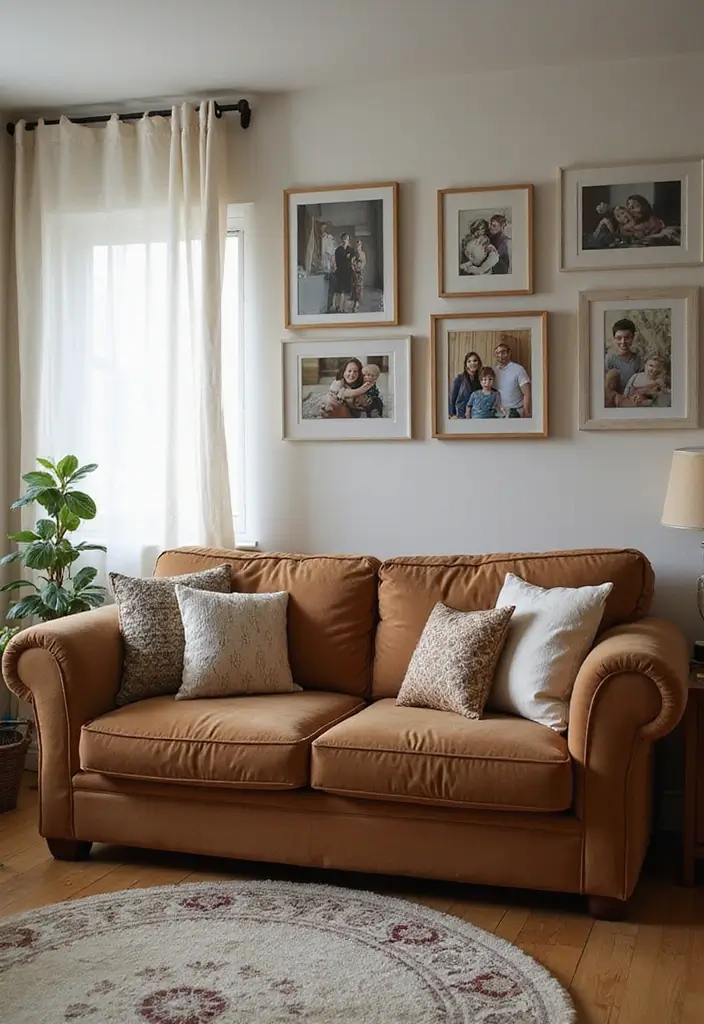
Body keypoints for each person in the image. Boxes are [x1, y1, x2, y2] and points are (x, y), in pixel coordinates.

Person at [301, 357, 371, 419]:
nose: (352, 374)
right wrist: (360, 390)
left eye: (355, 371)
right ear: (343, 372)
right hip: (333, 402)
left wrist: (361, 400)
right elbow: (344, 394)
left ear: (359, 374)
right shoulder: (338, 382)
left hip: (349, 408)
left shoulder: (358, 383)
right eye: (349, 371)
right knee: (329, 405)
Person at [493, 336, 531, 418]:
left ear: (509, 353)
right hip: (498, 413)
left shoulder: (519, 369)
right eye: (497, 353)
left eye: (503, 352)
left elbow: (527, 393)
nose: (500, 355)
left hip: (515, 412)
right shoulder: (493, 371)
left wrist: (526, 413)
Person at [604, 318, 643, 393]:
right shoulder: (608, 360)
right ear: (614, 339)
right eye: (619, 338)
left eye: (627, 338)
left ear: (632, 338)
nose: (623, 342)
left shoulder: (639, 360)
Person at [449, 352, 483, 418]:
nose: (472, 363)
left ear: (479, 363)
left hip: (476, 415)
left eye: (475, 361)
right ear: (466, 364)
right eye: (469, 361)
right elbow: (452, 398)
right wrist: (452, 414)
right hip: (461, 415)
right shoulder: (459, 378)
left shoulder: (482, 379)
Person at [332, 234, 353, 312]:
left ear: (348, 240)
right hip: (340, 271)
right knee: (340, 290)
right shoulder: (338, 250)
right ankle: (339, 307)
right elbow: (336, 261)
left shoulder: (350, 249)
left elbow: (353, 260)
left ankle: (345, 308)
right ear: (341, 240)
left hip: (348, 272)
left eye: (347, 239)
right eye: (344, 239)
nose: (345, 241)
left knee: (347, 291)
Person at [350, 240, 367, 313]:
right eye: (357, 244)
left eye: (359, 244)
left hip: (359, 272)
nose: (358, 246)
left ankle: (357, 302)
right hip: (354, 273)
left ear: (361, 245)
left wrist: (360, 267)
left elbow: (364, 262)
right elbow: (351, 261)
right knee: (354, 287)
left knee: (359, 287)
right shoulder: (353, 253)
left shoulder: (363, 253)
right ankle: (354, 303)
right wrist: (353, 267)